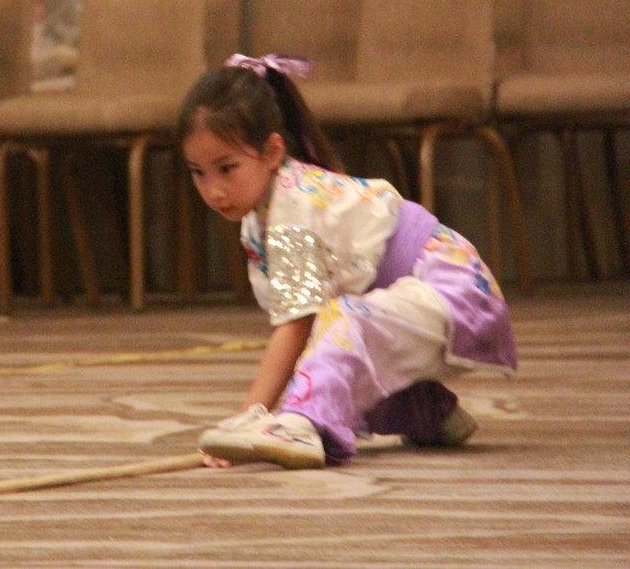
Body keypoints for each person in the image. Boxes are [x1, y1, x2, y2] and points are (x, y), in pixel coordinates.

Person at [179, 54, 516, 469]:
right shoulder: (262, 213)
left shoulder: (293, 204)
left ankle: (301, 425)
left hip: (452, 289)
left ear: (272, 152)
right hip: (421, 297)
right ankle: (429, 412)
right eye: (198, 172)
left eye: (226, 168)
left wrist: (250, 416)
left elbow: (297, 323)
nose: (213, 190)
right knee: (328, 354)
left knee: (338, 329)